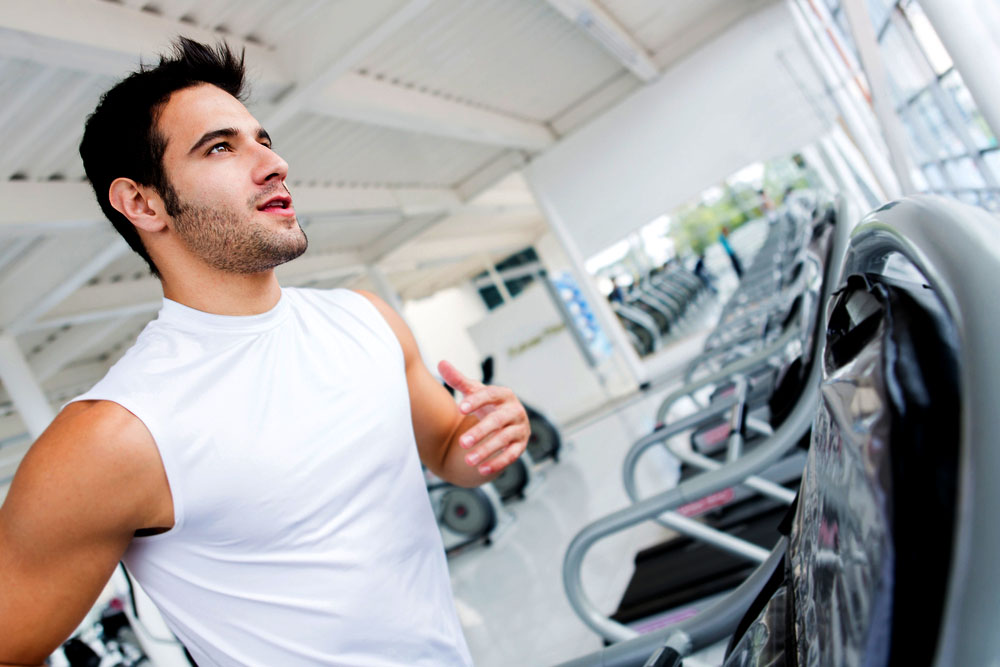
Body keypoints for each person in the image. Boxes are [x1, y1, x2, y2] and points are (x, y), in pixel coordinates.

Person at [0, 39, 529, 666]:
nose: (272, 163)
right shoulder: (115, 434)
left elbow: (446, 451)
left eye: (263, 139)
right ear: (142, 202)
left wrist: (492, 433)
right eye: (220, 147)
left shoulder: (366, 320)